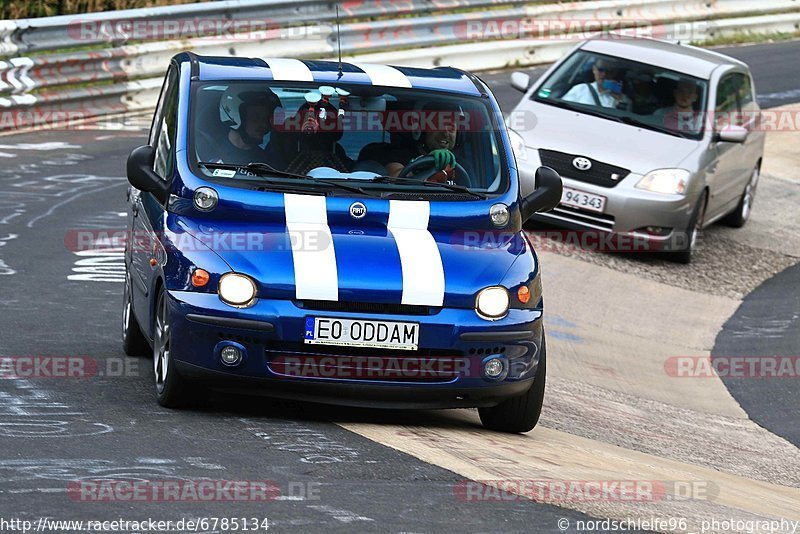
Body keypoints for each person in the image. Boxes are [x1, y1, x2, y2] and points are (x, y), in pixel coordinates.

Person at [384, 102, 463, 184]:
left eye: (451, 128)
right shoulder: (399, 156)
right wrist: (419, 166)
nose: (445, 133)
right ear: (421, 128)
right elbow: (395, 176)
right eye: (438, 125)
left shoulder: (463, 166)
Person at [212, 88, 285, 167]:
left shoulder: (266, 164)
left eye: (266, 118)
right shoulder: (204, 151)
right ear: (234, 115)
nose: (264, 125)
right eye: (257, 117)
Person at [562, 59, 630, 109]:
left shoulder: (623, 99)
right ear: (594, 69)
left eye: (609, 71)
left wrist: (619, 99)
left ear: (614, 73)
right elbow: (563, 108)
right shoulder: (580, 89)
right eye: (600, 70)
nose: (604, 74)